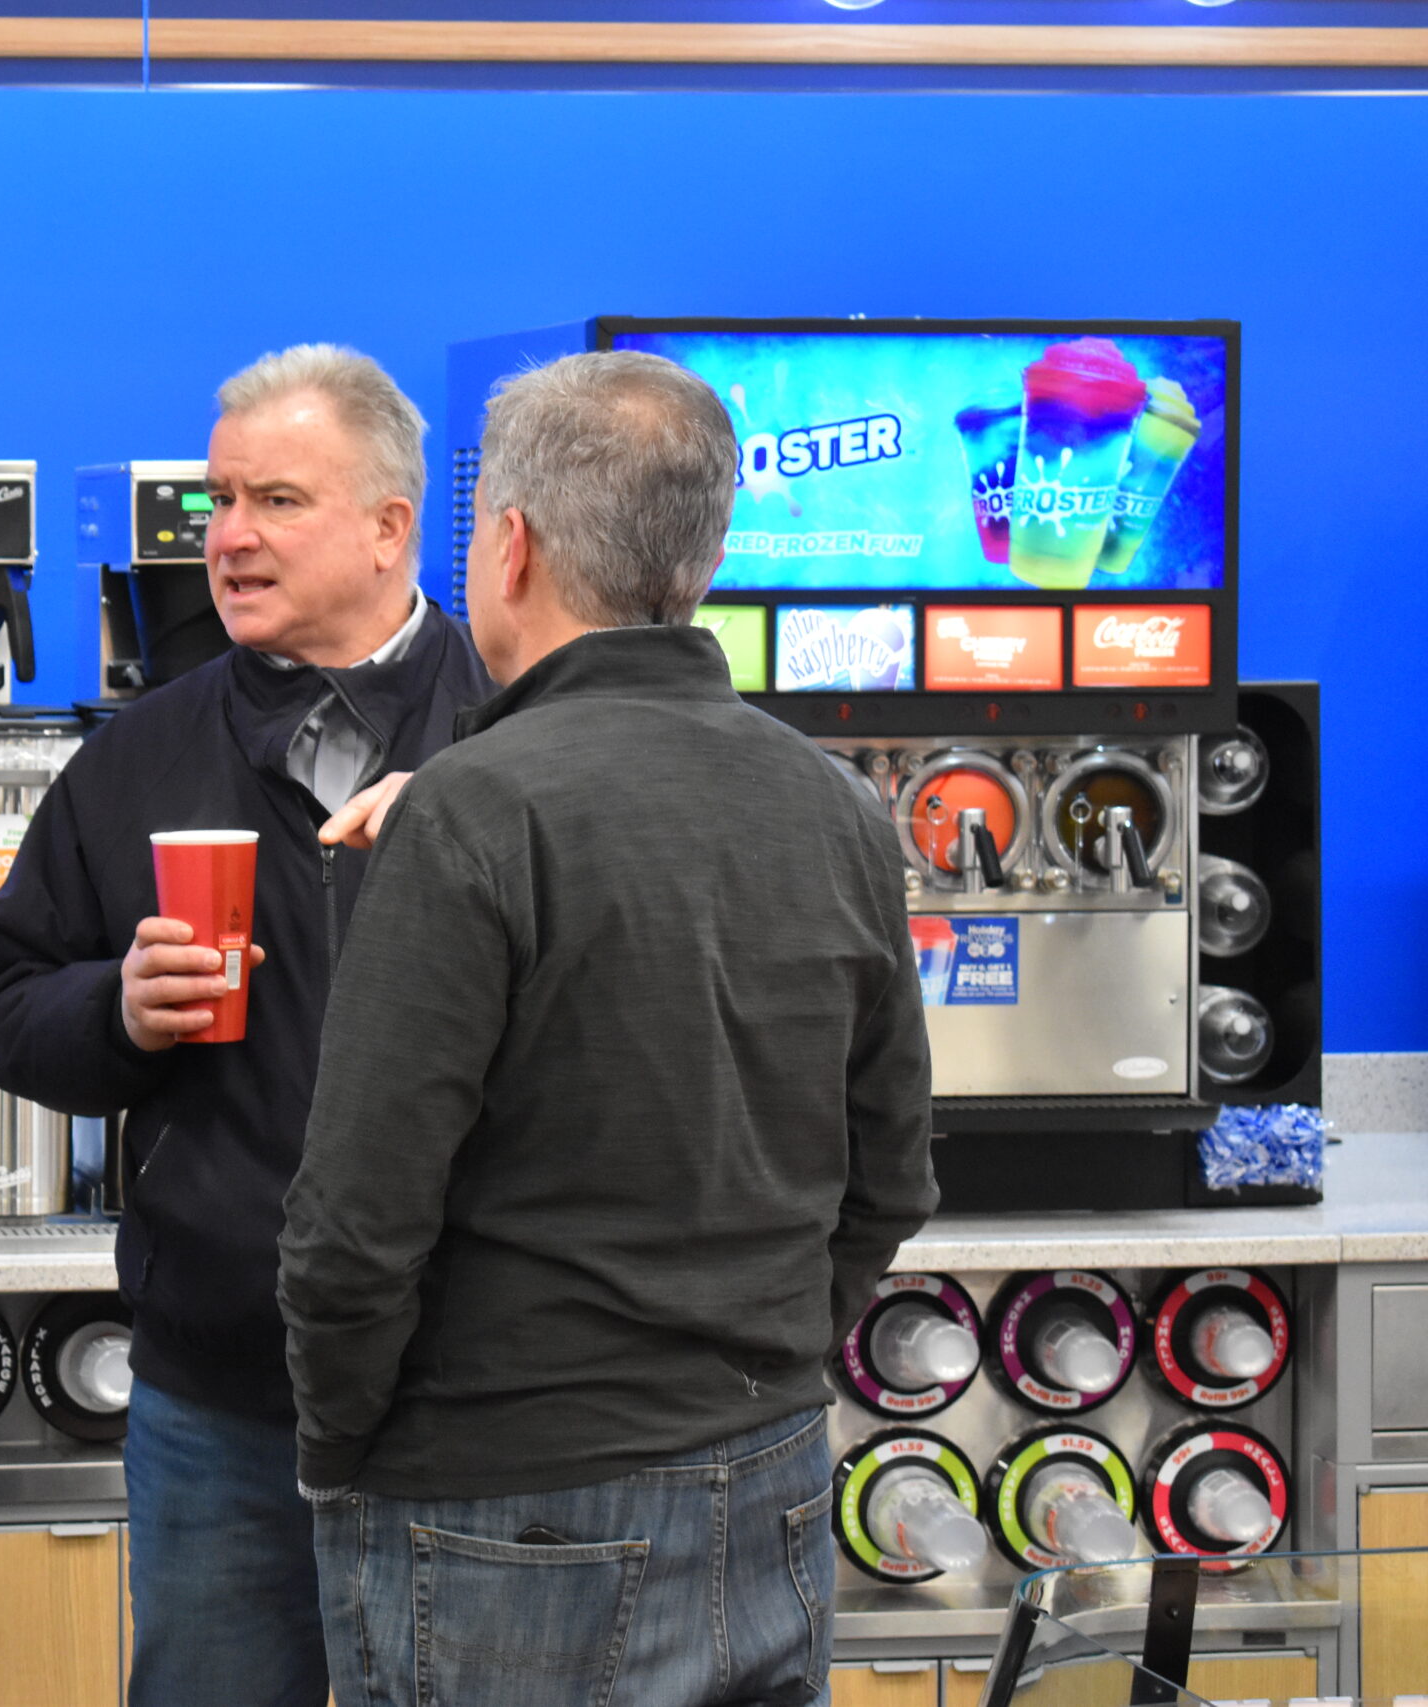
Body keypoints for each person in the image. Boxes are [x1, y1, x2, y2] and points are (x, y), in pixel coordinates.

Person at [276, 350, 938, 1707]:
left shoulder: (470, 807)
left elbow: (354, 1224)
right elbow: (893, 1179)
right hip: (776, 1484)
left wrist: (340, 1444)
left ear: (506, 547)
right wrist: (771, 1357)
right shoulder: (840, 808)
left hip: (506, 1509)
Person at [0, 344, 493, 1706]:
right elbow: (4, 1000)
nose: (230, 538)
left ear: (390, 527)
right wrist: (117, 1011)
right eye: (219, 501)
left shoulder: (512, 735)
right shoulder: (142, 752)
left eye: (277, 502)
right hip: (223, 1400)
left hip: (481, 1392)